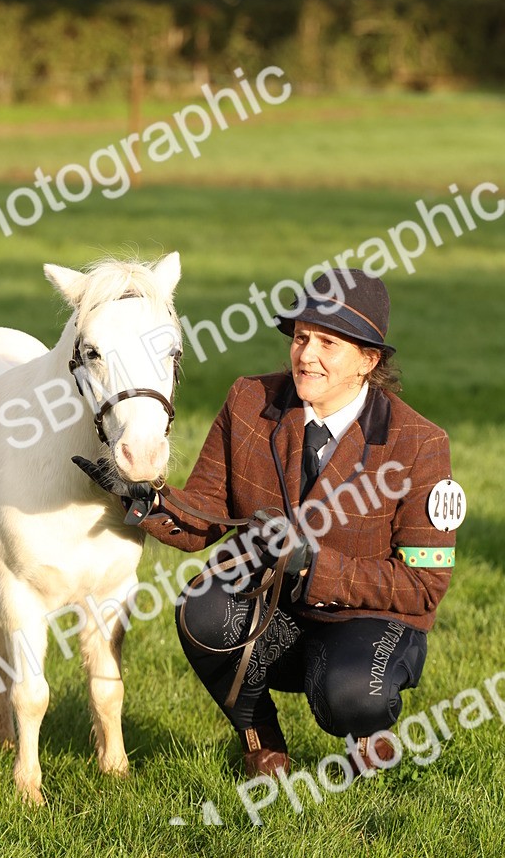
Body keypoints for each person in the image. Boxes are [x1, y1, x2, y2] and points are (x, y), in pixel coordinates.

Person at [75, 269, 457, 780]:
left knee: (351, 694)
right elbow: (203, 520)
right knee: (202, 613)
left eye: (328, 343)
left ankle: (367, 732)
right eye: (301, 337)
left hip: (367, 622)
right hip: (272, 612)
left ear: (369, 360)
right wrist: (142, 495)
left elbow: (424, 587)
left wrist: (316, 565)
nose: (306, 355)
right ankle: (261, 741)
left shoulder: (421, 443)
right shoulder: (249, 401)